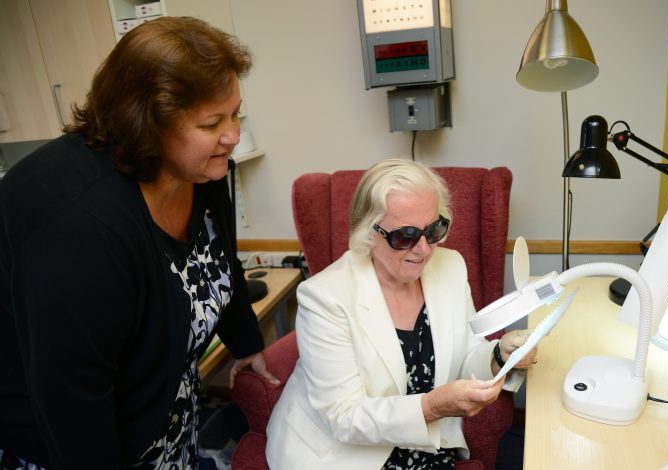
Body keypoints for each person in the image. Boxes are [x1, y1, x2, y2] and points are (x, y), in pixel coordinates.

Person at [0, 17, 278, 469]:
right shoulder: (78, 225)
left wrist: (247, 344)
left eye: (235, 114)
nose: (232, 135)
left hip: (162, 413)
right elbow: (73, 406)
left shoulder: (199, 167)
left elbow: (219, 261)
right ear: (150, 123)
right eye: (212, 122)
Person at [266, 158, 536, 469]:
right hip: (346, 454)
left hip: (426, 442)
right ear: (368, 233)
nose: (423, 249)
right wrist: (432, 407)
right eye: (405, 236)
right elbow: (345, 417)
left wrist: (499, 355)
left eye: (433, 229)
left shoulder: (449, 267)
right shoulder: (325, 296)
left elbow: (466, 352)